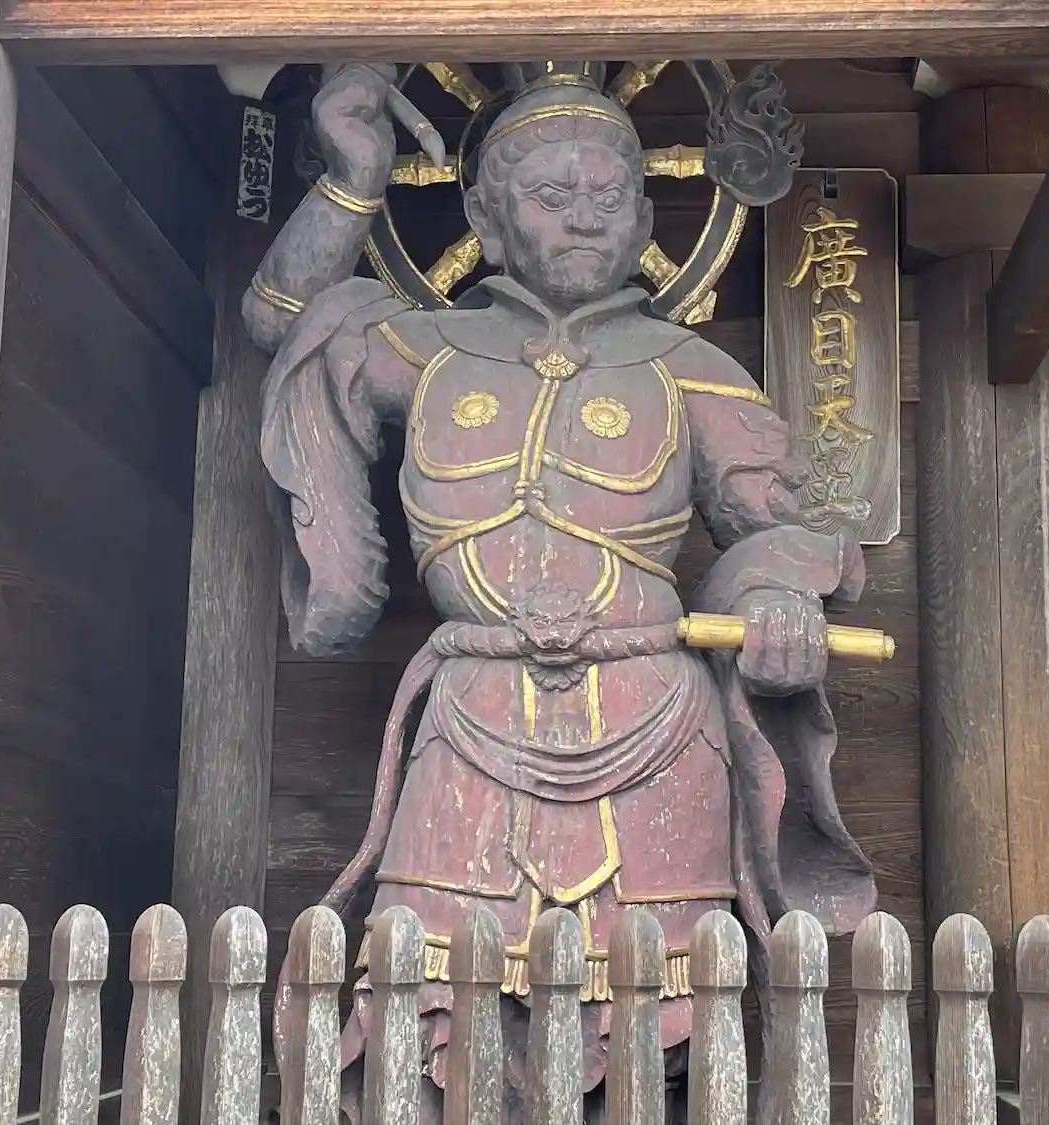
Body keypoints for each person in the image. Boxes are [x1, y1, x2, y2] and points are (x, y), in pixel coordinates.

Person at [244, 60, 876, 1124]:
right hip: (473, 715)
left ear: (645, 219)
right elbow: (285, 327)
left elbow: (782, 528)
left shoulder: (687, 368)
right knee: (424, 1001)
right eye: (551, 195)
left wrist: (778, 596)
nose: (585, 216)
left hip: (655, 726)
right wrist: (351, 180)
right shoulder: (427, 349)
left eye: (609, 195)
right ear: (487, 221)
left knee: (663, 1016)